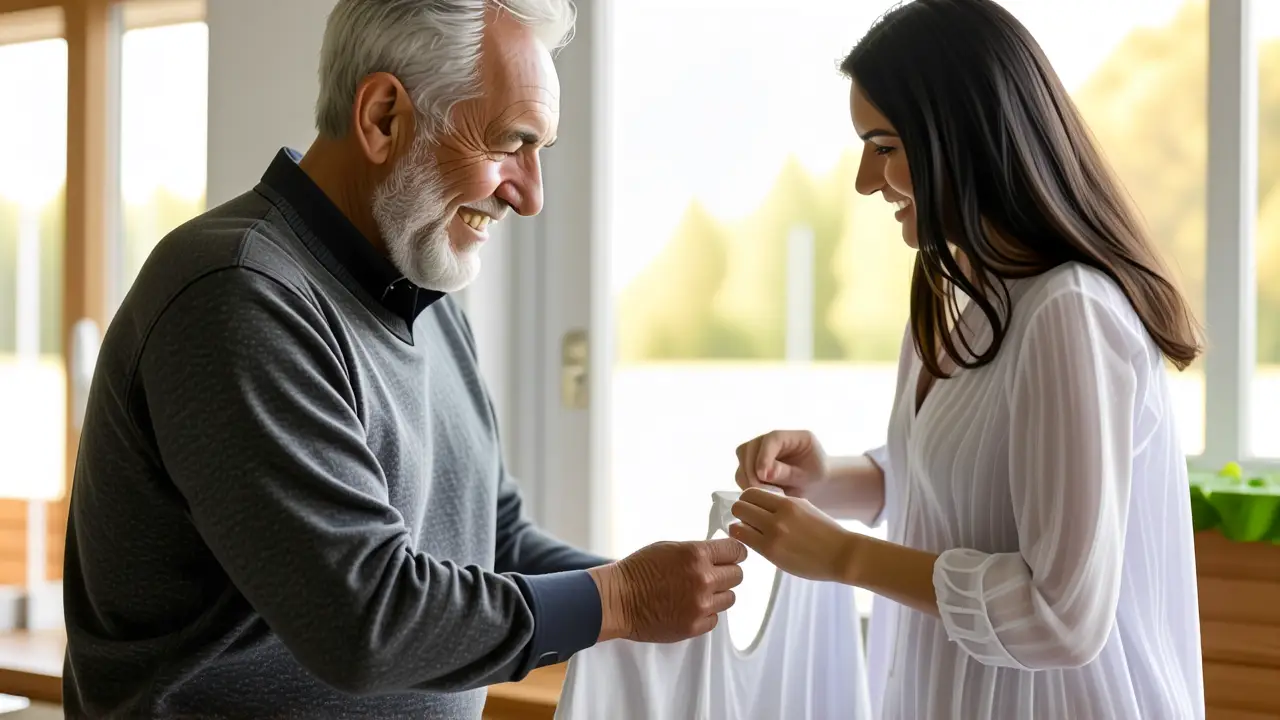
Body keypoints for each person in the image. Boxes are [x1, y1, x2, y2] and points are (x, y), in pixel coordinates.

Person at [61, 2, 746, 718]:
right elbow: (365, 620)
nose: (531, 194)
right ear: (385, 116)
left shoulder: (428, 296)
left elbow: (495, 539)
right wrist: (624, 598)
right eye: (510, 142)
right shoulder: (236, 292)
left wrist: (680, 589)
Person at [730, 1, 1204, 718]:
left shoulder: (1069, 312)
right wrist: (831, 480)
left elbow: (1062, 615)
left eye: (884, 146)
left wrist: (845, 559)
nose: (865, 180)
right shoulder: (955, 298)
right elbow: (962, 495)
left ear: (967, 138)